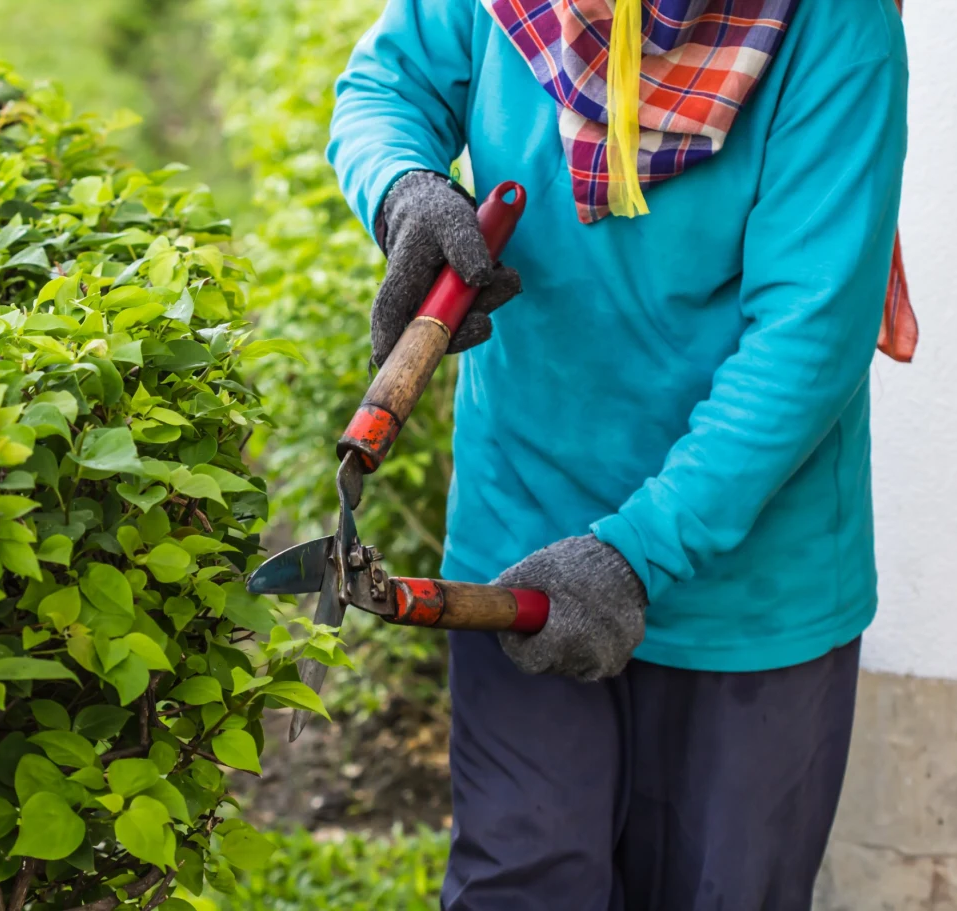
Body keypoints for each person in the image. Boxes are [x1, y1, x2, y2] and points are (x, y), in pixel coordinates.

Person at [326, 0, 910, 908]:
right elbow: (384, 85)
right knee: (518, 884)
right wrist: (404, 188)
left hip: (752, 588)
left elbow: (809, 335)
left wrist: (638, 552)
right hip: (515, 542)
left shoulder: (837, 27)